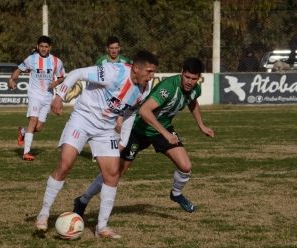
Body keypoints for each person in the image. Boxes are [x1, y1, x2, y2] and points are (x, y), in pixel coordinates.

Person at [34, 50, 159, 239]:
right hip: (82, 119)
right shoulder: (113, 72)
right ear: (136, 68)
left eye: (154, 72)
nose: (152, 76)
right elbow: (77, 73)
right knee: (65, 165)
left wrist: (123, 141)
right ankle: (43, 214)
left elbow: (130, 113)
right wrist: (59, 96)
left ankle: (102, 227)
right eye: (149, 71)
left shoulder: (143, 90)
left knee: (112, 175)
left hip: (105, 129)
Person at [73, 57, 214, 220]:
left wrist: (201, 125)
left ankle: (176, 194)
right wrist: (165, 133)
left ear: (199, 78)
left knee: (185, 166)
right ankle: (82, 200)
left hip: (162, 129)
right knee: (116, 173)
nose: (189, 82)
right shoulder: (168, 88)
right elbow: (144, 111)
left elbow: (192, 101)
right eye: (187, 77)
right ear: (181, 72)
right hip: (139, 129)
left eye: (194, 79)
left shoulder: (195, 89)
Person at [8, 36, 65, 161]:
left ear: (50, 47)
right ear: (38, 46)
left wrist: (56, 83)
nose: (44, 49)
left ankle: (23, 131)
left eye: (46, 47)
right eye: (41, 46)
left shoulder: (56, 61)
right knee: (33, 120)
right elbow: (19, 70)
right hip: (35, 95)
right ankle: (26, 153)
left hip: (48, 97)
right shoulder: (31, 59)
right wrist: (12, 79)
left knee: (38, 127)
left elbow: (61, 77)